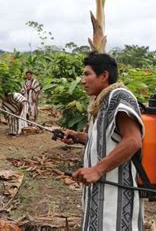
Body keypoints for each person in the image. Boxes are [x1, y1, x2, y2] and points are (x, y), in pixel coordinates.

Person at [61, 53, 145, 230]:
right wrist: (78, 136)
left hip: (116, 195)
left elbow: (133, 140)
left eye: (87, 74)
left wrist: (97, 169)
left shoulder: (119, 97)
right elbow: (106, 139)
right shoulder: (101, 102)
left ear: (104, 75)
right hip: (100, 193)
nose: (83, 80)